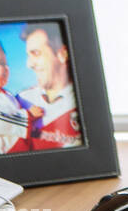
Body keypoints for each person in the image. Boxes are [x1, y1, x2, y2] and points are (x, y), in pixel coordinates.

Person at [19, 22, 84, 150]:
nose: (29, 64)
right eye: (28, 55)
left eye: (36, 53)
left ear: (62, 54)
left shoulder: (84, 103)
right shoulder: (21, 101)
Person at [0, 39, 34, 154]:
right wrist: (28, 115)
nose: (7, 68)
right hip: (5, 152)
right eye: (1, 63)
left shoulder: (7, 94)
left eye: (7, 64)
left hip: (22, 149)